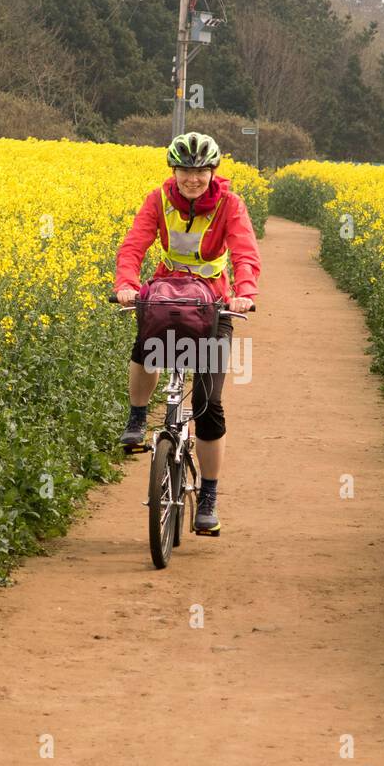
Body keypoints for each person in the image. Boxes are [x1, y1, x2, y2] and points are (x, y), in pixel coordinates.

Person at [114, 131, 261, 535]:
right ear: (174, 171)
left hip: (214, 303)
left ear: (213, 172)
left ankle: (209, 495)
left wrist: (245, 294)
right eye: (185, 170)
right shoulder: (158, 200)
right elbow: (133, 246)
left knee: (209, 404)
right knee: (146, 346)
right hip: (167, 294)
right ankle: (138, 418)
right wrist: (127, 283)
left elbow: (245, 252)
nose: (192, 178)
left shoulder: (230, 205)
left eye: (200, 171)